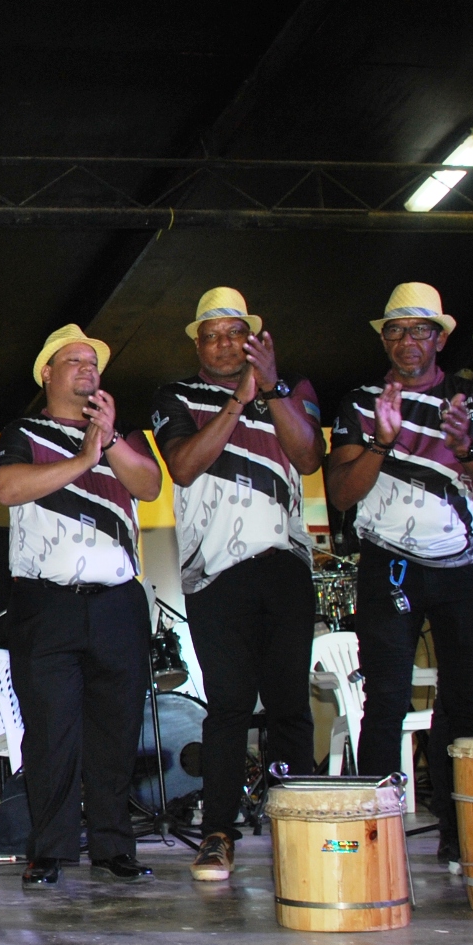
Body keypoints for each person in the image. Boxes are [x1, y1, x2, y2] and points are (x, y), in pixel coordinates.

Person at [325, 283, 473, 868]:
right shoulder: (360, 401)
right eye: (396, 331)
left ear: (441, 337)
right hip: (391, 565)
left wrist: (465, 451)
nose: (408, 341)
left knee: (472, 704)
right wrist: (381, 442)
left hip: (465, 568)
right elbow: (339, 493)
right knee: (383, 701)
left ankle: (466, 837)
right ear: (385, 339)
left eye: (419, 330)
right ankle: (375, 846)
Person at [150, 288, 324, 882]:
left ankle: (295, 829)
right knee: (226, 705)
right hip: (215, 573)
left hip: (285, 567)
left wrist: (270, 391)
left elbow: (308, 458)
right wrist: (235, 404)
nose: (224, 343)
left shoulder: (293, 387)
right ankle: (218, 833)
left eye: (234, 332)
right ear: (197, 344)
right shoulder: (175, 395)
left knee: (290, 708)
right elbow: (181, 466)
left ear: (253, 336)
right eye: (212, 335)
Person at [0, 325, 162, 887]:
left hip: (117, 602)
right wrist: (83, 458)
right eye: (74, 361)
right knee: (50, 731)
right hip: (46, 604)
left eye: (93, 362)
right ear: (47, 373)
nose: (88, 369)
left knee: (116, 730)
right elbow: (9, 489)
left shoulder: (121, 434)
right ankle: (51, 849)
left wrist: (108, 443)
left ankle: (115, 846)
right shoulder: (24, 431)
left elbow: (151, 486)